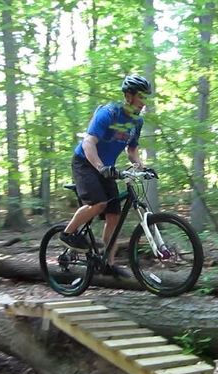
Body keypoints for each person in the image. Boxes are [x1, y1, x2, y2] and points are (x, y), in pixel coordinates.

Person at [59, 74, 152, 277]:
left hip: (106, 167)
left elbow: (132, 150)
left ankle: (107, 264)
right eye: (141, 97)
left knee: (114, 216)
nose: (144, 102)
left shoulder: (137, 122)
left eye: (146, 98)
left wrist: (142, 167)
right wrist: (101, 167)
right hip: (85, 163)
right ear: (129, 96)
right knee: (99, 203)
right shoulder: (109, 113)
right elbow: (88, 143)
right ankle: (67, 234)